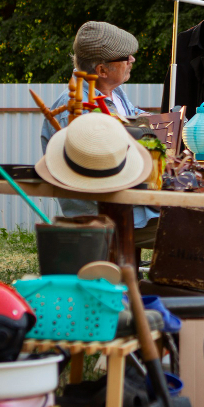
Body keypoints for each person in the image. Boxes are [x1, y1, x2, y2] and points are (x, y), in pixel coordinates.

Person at [40, 21, 159, 247]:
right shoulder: (76, 110)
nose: (131, 60)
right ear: (102, 70)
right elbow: (99, 176)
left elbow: (132, 116)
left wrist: (164, 123)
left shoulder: (113, 92)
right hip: (107, 216)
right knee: (192, 228)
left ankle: (142, 278)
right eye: (125, 57)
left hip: (133, 206)